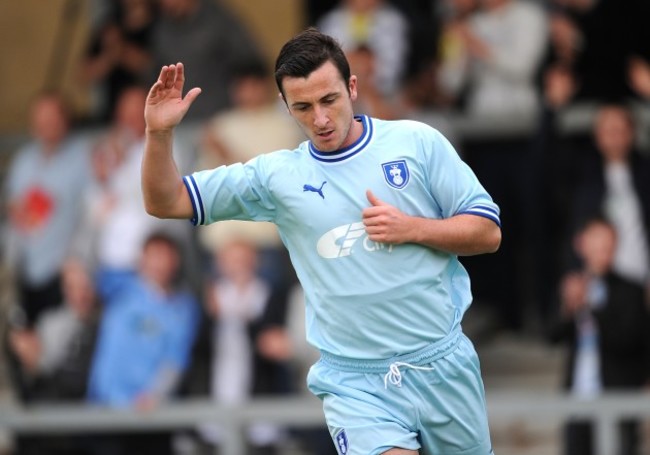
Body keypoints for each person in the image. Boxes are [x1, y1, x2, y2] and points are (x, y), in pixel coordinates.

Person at [142, 28, 501, 455]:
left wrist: (413, 228)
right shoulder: (278, 178)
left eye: (329, 100)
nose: (321, 119)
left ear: (352, 87)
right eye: (303, 107)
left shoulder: (416, 142)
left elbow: (487, 232)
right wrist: (159, 135)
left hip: (442, 365)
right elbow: (166, 201)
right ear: (286, 106)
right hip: (357, 383)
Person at [86, 232, 199, 455]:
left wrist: (155, 396)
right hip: (103, 411)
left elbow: (175, 360)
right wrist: (96, 221)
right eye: (153, 255)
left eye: (165, 256)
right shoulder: (119, 289)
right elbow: (84, 269)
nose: (159, 263)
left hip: (146, 416)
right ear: (142, 258)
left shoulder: (183, 308)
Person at [551, 217, 650, 455]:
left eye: (607, 241)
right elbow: (552, 336)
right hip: (578, 396)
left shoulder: (631, 290)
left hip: (618, 395)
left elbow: (629, 339)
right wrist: (568, 307)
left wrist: (591, 307)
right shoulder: (572, 285)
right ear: (581, 244)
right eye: (595, 241)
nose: (602, 249)